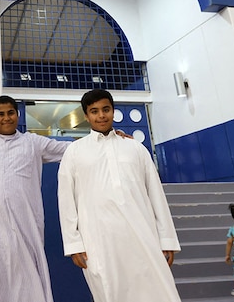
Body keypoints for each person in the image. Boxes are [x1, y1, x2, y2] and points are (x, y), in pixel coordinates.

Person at [57, 88, 181, 302]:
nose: (101, 115)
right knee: (110, 294)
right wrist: (74, 244)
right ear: (86, 116)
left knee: (158, 293)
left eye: (106, 109)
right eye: (94, 111)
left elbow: (156, 195)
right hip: (99, 241)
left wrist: (167, 239)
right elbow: (66, 201)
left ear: (114, 111)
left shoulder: (135, 148)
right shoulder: (74, 152)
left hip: (142, 235)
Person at [0, 95, 72, 302]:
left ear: (17, 115)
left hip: (25, 227)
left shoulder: (33, 142)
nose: (6, 118)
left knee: (28, 281)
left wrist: (105, 138)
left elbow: (71, 149)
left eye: (10, 113)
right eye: (1, 114)